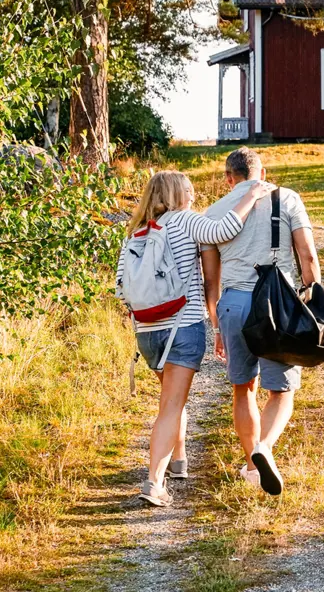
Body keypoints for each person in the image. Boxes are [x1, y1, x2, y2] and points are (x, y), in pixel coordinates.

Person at [117, 170, 274, 507]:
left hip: (146, 332)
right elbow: (225, 229)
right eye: (189, 191)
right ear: (178, 195)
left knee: (171, 399)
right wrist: (251, 196)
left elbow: (121, 287)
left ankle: (179, 460)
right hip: (182, 329)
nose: (193, 197)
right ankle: (154, 483)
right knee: (171, 404)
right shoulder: (186, 221)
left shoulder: (136, 233)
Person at [201, 147, 320, 496]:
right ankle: (264, 446)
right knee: (282, 390)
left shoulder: (213, 213)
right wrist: (312, 298)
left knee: (243, 388)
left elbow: (211, 279)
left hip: (233, 304)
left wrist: (217, 325)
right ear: (262, 174)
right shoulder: (288, 199)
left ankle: (253, 469)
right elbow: (307, 255)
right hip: (276, 304)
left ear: (228, 178)